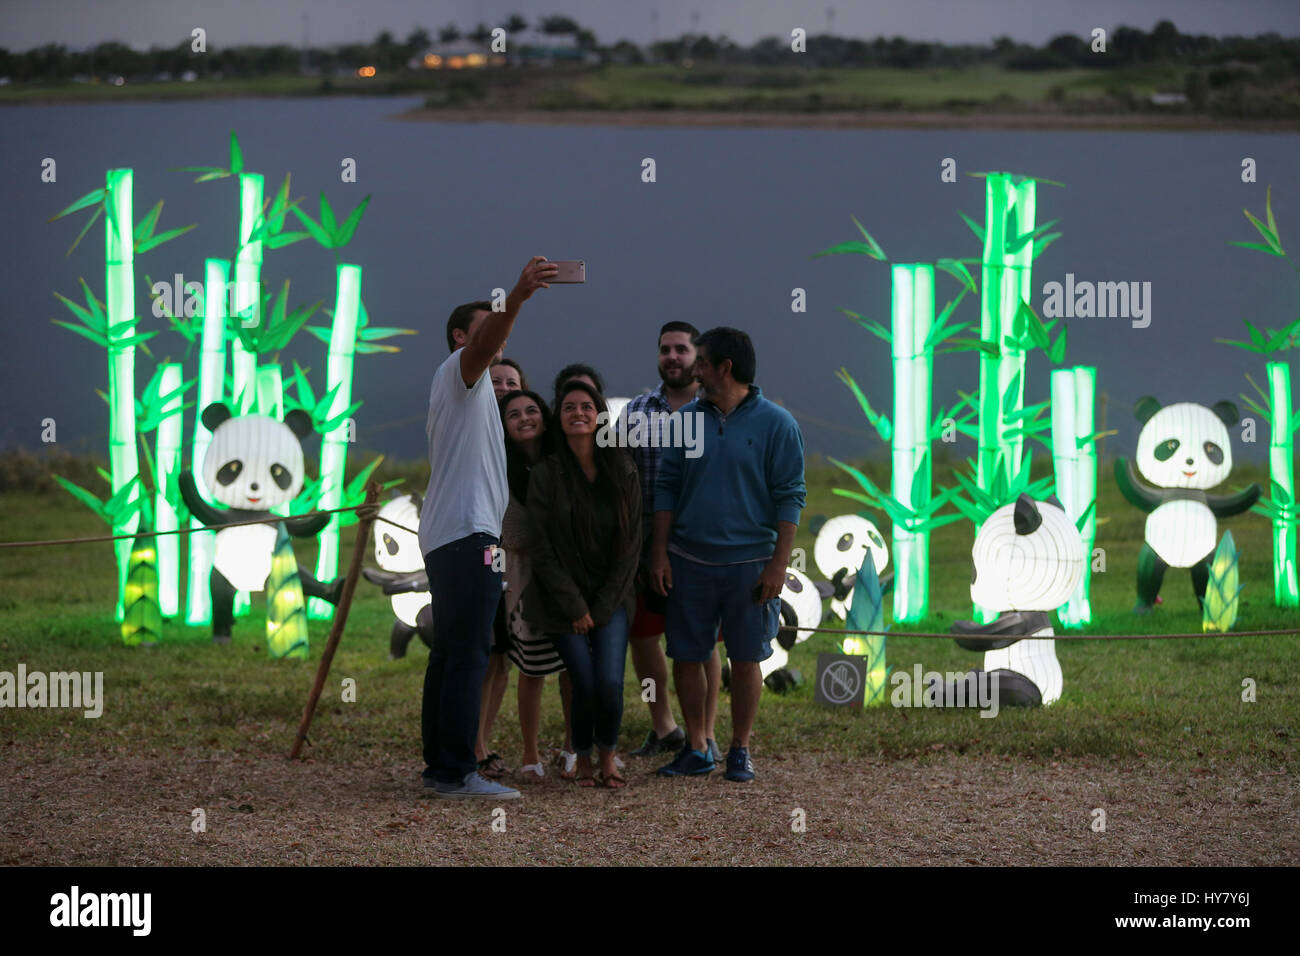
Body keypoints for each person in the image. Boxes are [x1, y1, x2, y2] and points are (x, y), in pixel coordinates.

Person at [418, 255, 556, 800]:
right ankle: (456, 771)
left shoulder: (473, 398)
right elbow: (485, 345)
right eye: (485, 328)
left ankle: (441, 769)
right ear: (459, 338)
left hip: (458, 535)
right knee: (470, 652)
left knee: (451, 653)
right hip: (467, 535)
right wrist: (517, 296)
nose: (496, 341)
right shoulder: (460, 373)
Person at [649, 327, 805, 782]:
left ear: (725, 367)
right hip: (688, 561)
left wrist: (778, 565)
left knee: (747, 657)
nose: (693, 368)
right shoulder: (686, 422)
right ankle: (697, 745)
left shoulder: (777, 423)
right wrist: (659, 555)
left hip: (750, 565)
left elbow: (791, 495)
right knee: (687, 654)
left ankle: (740, 748)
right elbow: (666, 490)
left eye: (700, 360)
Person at [524, 380, 641, 788]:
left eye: (587, 406)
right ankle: (584, 757)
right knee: (583, 679)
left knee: (609, 679)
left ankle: (609, 756)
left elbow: (631, 547)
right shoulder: (546, 474)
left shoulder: (622, 469)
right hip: (561, 602)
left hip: (611, 598)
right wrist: (575, 607)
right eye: (569, 407)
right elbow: (540, 547)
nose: (578, 413)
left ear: (599, 415)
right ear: (560, 416)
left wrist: (603, 608)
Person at [619, 321, 723, 761]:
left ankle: (708, 733)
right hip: (644, 545)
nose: (672, 357)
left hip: (700, 545)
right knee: (642, 637)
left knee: (702, 643)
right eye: (665, 349)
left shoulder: (719, 408)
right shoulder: (638, 411)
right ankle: (664, 726)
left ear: (697, 357)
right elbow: (617, 475)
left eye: (681, 349)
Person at [498, 388, 577, 780]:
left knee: (572, 667)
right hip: (527, 584)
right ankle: (530, 754)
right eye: (514, 414)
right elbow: (514, 535)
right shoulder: (501, 473)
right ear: (504, 427)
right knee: (531, 668)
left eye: (532, 410)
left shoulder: (564, 462)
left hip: (570, 584)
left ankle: (572, 746)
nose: (525, 418)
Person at [475, 355, 531, 779]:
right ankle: (472, 742)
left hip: (516, 562)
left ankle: (483, 739)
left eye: (512, 381)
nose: (504, 386)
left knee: (503, 655)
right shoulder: (471, 429)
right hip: (481, 553)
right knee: (483, 651)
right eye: (496, 380)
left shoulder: (527, 440)